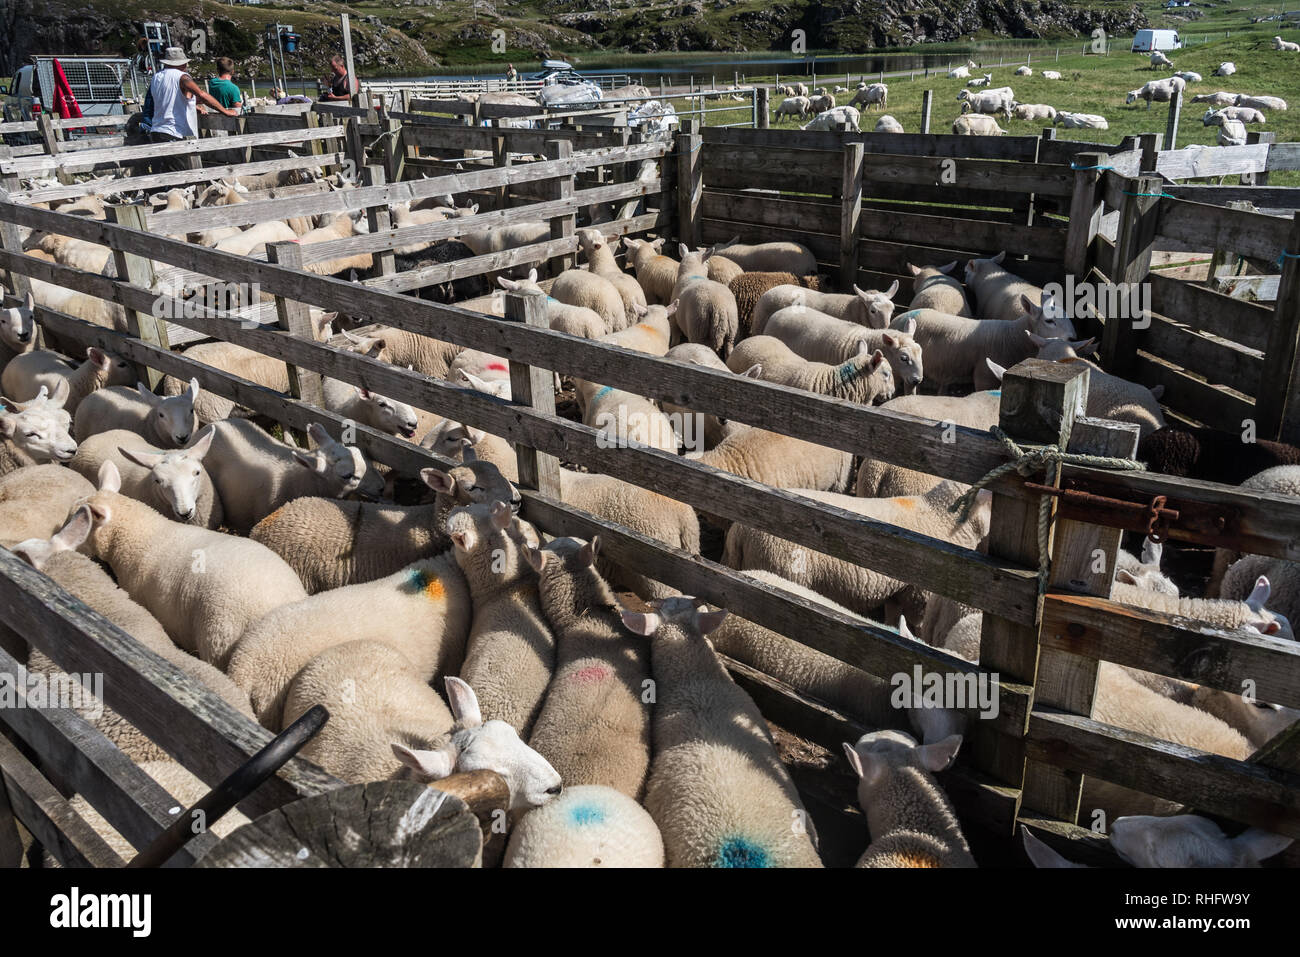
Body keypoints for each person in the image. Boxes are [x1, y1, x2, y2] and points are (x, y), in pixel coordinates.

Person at [146, 47, 239, 172]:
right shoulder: (182, 78)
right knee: (183, 177)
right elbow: (201, 95)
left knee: (164, 177)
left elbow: (168, 100)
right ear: (182, 63)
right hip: (175, 132)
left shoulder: (157, 77)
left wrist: (192, 105)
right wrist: (226, 111)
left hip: (157, 131)